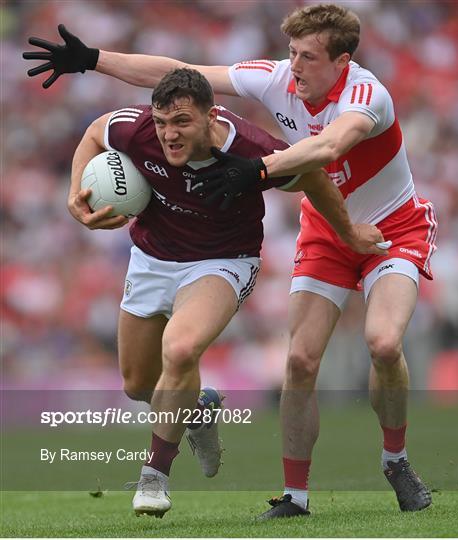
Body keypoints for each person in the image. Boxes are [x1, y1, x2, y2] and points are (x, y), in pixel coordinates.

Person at [23, 4, 435, 518]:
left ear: (342, 61)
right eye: (292, 53)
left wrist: (258, 170)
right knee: (299, 360)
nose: (295, 65)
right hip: (327, 230)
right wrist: (94, 58)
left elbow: (328, 149)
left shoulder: (366, 94)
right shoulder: (278, 79)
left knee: (382, 341)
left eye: (308, 56)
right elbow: (184, 75)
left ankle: (395, 460)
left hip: (390, 227)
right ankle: (296, 498)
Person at [66, 66, 384, 519]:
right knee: (139, 384)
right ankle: (197, 409)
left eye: (182, 123)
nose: (168, 135)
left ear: (210, 115)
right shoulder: (137, 130)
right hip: (152, 257)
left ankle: (154, 478)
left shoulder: (251, 149)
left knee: (180, 348)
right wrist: (73, 194)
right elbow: (97, 133)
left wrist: (349, 232)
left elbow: (312, 176)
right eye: (161, 123)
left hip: (223, 260)